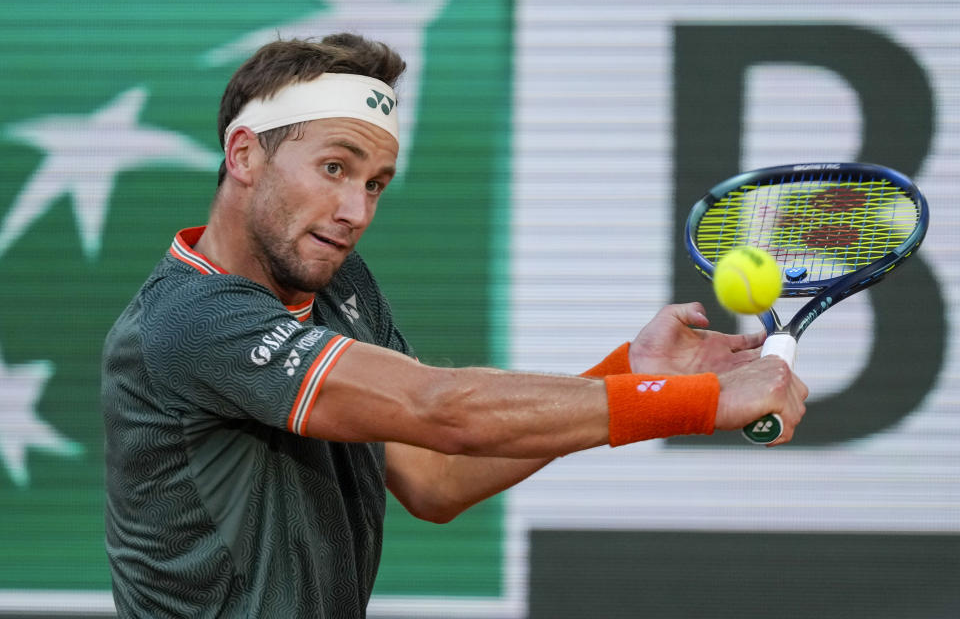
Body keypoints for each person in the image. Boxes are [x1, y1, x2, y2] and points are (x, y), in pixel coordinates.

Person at [101, 33, 807, 618]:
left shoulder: (339, 284)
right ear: (245, 155)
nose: (356, 210)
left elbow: (434, 477)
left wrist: (628, 374)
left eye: (374, 181)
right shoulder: (188, 318)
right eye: (334, 167)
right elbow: (441, 410)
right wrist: (699, 404)